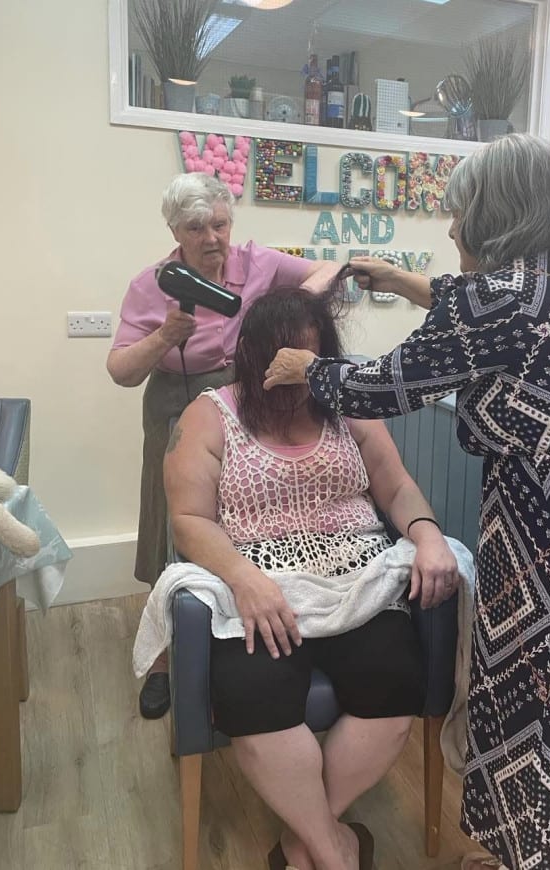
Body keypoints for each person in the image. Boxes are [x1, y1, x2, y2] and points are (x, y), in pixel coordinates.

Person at [264, 134, 550, 870]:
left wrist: (310, 368)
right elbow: (495, 313)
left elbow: (386, 385)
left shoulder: (496, 301)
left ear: (492, 219)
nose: (451, 231)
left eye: (459, 216)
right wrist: (405, 281)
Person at [163, 286, 460, 870]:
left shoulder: (349, 405)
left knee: (392, 685)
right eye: (282, 359)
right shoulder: (210, 413)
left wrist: (426, 533)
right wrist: (243, 578)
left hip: (357, 579)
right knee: (254, 699)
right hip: (259, 579)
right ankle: (334, 848)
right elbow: (189, 520)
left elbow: (396, 488)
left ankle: (306, 840)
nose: (296, 374)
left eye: (308, 359)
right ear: (250, 355)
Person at [107, 172, 340, 720]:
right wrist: (165, 335)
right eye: (196, 227)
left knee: (241, 517)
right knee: (174, 520)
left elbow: (331, 270)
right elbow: (119, 370)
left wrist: (290, 304)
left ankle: (235, 631)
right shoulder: (152, 284)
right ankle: (164, 657)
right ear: (174, 230)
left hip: (249, 397)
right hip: (175, 402)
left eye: (220, 223)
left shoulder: (259, 262)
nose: (213, 238)